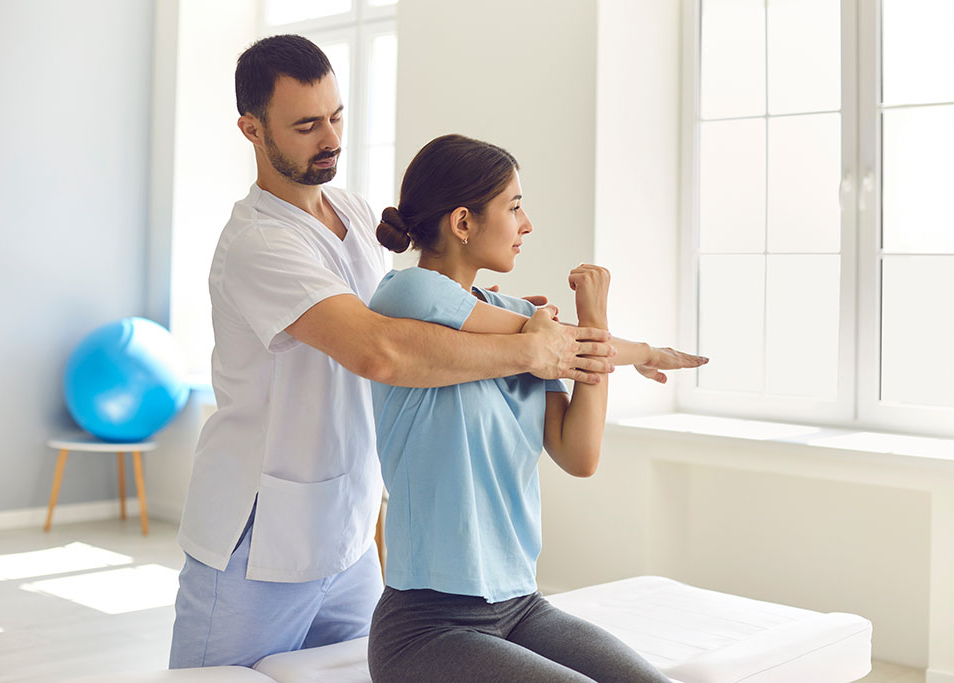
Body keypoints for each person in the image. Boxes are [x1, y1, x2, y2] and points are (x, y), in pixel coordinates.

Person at [168, 34, 625, 669]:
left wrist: (535, 325)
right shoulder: (260, 242)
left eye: (336, 116)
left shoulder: (355, 216)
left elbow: (431, 312)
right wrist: (531, 350)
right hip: (255, 542)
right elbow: (380, 352)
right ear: (251, 129)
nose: (330, 137)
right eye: (306, 125)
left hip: (350, 535)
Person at [366, 134, 708, 682]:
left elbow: (579, 455)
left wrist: (594, 328)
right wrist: (608, 340)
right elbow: (561, 341)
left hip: (522, 607)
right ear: (462, 222)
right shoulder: (404, 297)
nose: (527, 225)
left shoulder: (530, 326)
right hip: (427, 625)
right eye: (515, 207)